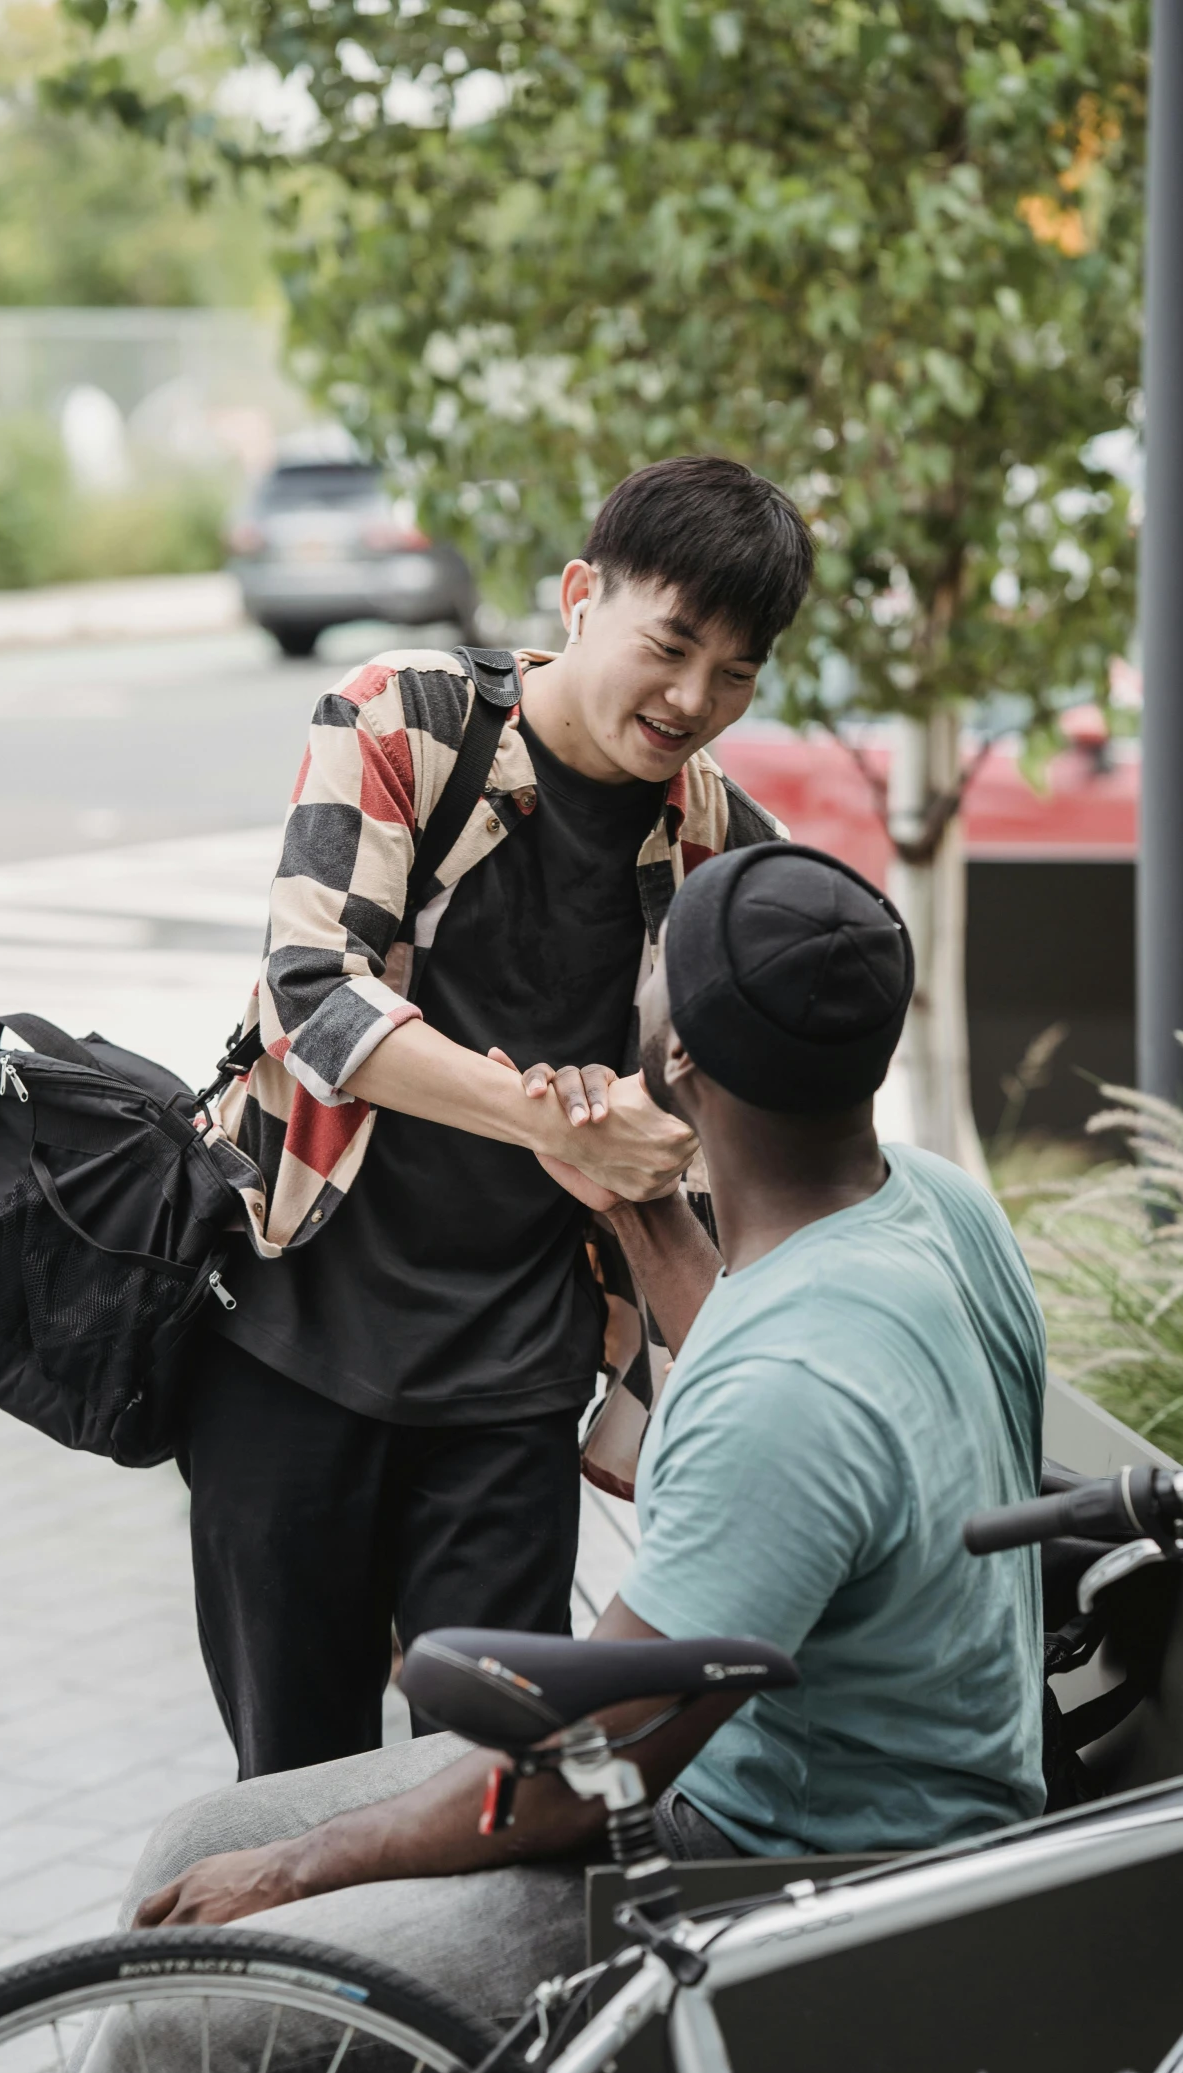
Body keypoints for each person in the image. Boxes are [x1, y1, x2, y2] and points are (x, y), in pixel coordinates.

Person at [0, 844, 1047, 2073]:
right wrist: (637, 1215)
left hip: (797, 1911)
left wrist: (308, 1870)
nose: (633, 975)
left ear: (679, 1058)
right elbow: (756, 1372)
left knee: (184, 2037)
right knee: (197, 1840)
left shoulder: (795, 1387)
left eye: (658, 967)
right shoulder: (919, 1207)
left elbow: (571, 1776)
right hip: (823, 1816)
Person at [186, 456, 813, 1778]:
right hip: (289, 1345)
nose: (695, 699)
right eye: (672, 645)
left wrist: (652, 1352)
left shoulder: (718, 843)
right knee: (296, 1785)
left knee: (487, 1791)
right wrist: (556, 1122)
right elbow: (313, 993)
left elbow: (758, 1089)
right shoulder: (400, 720)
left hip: (513, 1383)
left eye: (738, 672)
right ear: (583, 594)